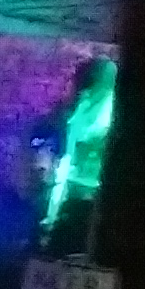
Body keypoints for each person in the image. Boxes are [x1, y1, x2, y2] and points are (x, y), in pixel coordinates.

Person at [27, 54, 117, 257]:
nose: (84, 95)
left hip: (84, 205)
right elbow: (42, 140)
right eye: (82, 88)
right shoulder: (68, 113)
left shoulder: (106, 120)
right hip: (58, 200)